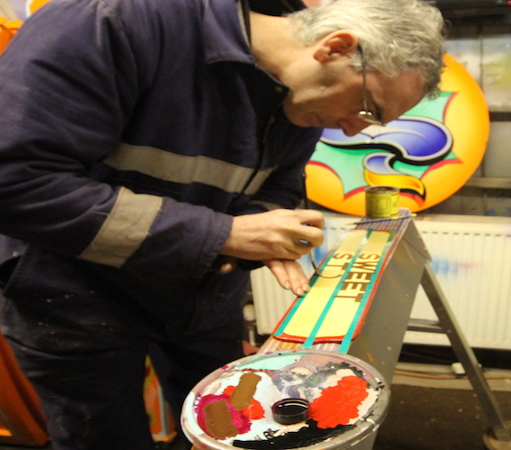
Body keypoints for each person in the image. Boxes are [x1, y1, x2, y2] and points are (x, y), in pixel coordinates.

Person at [0, 0, 445, 448]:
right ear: (335, 48)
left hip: (200, 295)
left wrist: (262, 227)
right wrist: (224, 235)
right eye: (368, 109)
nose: (351, 131)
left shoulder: (303, 96)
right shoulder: (115, 21)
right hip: (74, 299)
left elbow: (278, 186)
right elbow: (14, 180)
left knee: (231, 429)